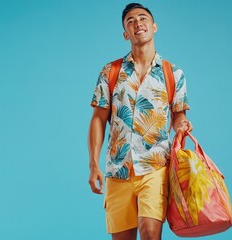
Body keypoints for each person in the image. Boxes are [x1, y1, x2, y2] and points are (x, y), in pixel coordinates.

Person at [87, 3, 193, 240]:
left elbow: (178, 115)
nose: (138, 23)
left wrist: (182, 125)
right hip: (118, 170)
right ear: (126, 33)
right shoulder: (111, 71)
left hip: (155, 167)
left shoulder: (173, 73)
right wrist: (93, 164)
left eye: (143, 18)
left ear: (154, 26)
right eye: (131, 21)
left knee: (149, 233)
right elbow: (98, 119)